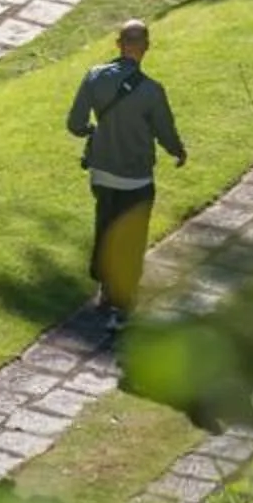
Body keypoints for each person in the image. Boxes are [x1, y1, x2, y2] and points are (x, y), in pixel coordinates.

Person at [67, 18, 186, 332]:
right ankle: (122, 305)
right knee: (131, 239)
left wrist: (95, 130)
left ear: (118, 44)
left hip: (102, 173)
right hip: (136, 179)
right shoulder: (151, 91)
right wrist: (178, 151)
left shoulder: (94, 77)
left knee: (104, 228)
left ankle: (105, 290)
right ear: (145, 47)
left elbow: (75, 124)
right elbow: (165, 132)